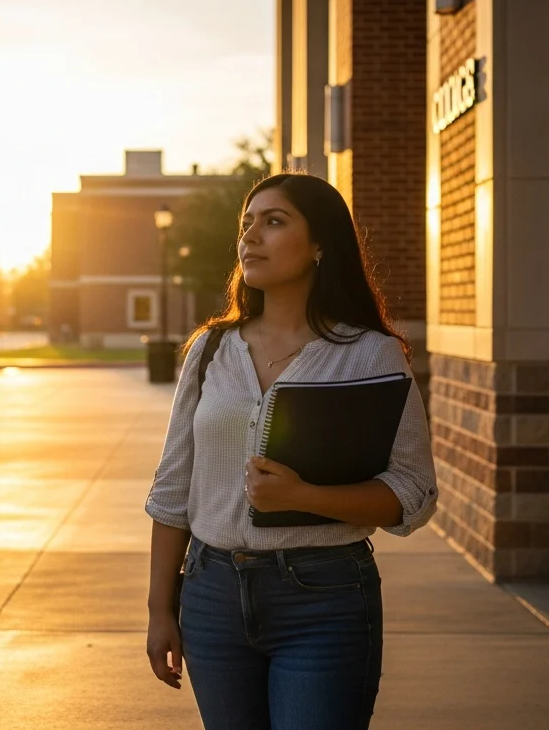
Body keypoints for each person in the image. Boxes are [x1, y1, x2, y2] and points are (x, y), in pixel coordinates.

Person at [143, 174, 439, 729]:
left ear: (321, 244)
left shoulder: (371, 356)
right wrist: (161, 610)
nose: (251, 235)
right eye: (247, 223)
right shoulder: (210, 350)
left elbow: (413, 492)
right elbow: (172, 492)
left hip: (324, 599)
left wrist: (306, 496)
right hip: (212, 597)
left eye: (274, 222)